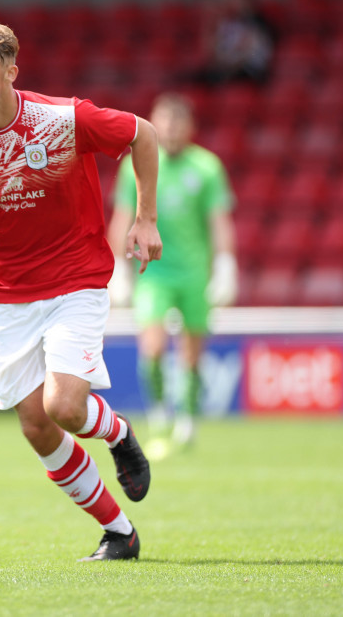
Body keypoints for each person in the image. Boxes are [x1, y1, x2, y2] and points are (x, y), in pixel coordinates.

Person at [0, 22, 163, 561]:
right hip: (6, 291)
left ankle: (118, 433)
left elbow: (142, 134)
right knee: (35, 425)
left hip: (76, 277)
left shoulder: (61, 119)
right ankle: (119, 533)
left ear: (11, 72)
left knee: (64, 406)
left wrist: (145, 218)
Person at [107, 93, 237, 453]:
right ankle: (160, 411)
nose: (170, 129)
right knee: (153, 346)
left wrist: (225, 265)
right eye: (163, 122)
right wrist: (118, 267)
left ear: (189, 127)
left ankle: (188, 421)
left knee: (193, 352)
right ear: (153, 123)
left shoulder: (207, 167)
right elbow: (122, 216)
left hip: (194, 273)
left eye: (177, 122)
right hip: (153, 272)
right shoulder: (137, 163)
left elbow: (218, 221)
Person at [189, 0, 275, 86]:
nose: (228, 0)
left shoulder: (259, 25)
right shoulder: (228, 23)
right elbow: (212, 54)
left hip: (249, 74)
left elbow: (250, 56)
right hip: (226, 70)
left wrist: (228, 64)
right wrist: (210, 25)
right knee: (194, 80)